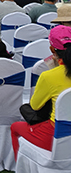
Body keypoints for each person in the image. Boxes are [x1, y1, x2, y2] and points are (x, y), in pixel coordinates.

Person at [9, 25, 71, 161]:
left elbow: (35, 106)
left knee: (15, 127)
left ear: (52, 49)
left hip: (57, 135)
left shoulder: (48, 76)